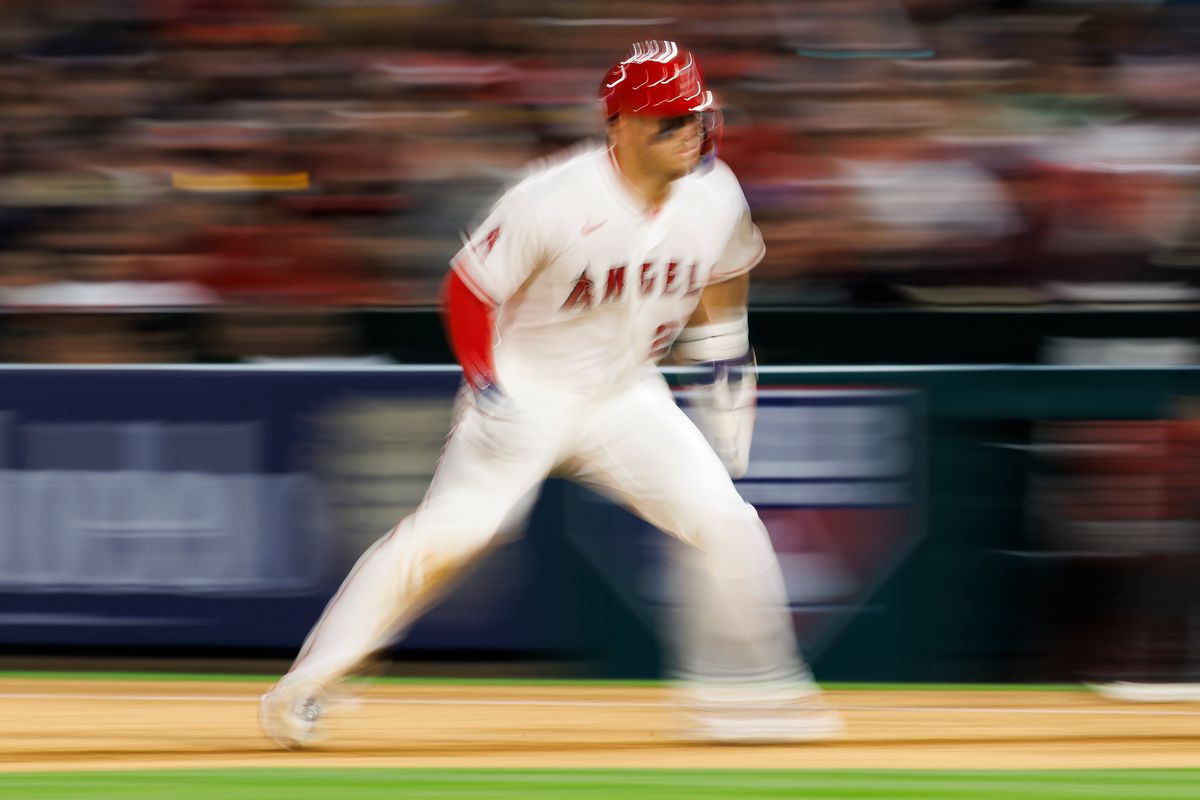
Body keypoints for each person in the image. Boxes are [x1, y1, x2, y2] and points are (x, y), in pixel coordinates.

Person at [260, 40, 843, 748]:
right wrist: (486, 380)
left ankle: (748, 697)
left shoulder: (714, 192)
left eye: (695, 115)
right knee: (457, 534)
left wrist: (724, 359)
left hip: (626, 394)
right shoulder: (555, 198)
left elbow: (725, 274)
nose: (690, 130)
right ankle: (308, 685)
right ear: (620, 126)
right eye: (670, 120)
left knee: (728, 523)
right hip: (528, 389)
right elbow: (470, 288)